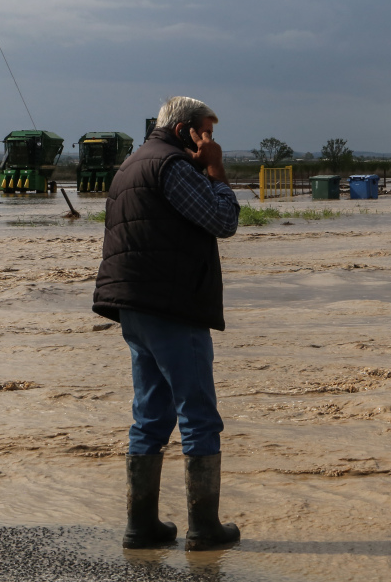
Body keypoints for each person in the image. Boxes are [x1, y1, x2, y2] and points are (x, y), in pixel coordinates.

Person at [93, 96, 241, 551]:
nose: (211, 141)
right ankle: (204, 528)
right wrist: (214, 169)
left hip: (133, 306)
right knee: (198, 415)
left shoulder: (130, 165)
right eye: (206, 132)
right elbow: (223, 220)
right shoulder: (172, 166)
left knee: (150, 415)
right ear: (184, 132)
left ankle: (142, 526)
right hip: (172, 305)